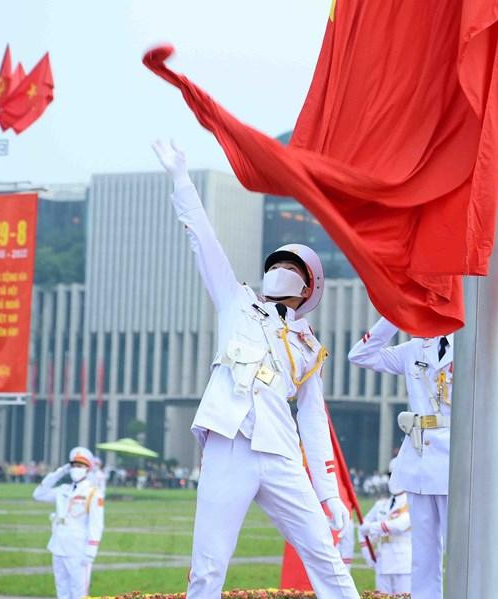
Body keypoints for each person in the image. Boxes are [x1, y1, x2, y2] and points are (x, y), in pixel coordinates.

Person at [152, 140, 358, 599]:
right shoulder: (236, 303)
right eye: (278, 262)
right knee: (208, 566)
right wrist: (182, 181)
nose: (280, 269)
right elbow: (204, 241)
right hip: (231, 446)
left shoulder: (310, 347)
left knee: (325, 555)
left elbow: (313, 422)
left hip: (281, 453)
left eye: (291, 266)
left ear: (308, 288)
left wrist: (328, 492)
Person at [348, 317, 453, 599]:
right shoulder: (414, 348)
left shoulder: (470, 346)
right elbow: (360, 355)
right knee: (423, 552)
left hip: (455, 460)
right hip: (419, 458)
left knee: (460, 550)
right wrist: (394, 315)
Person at [32, 446, 104, 599]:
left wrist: (91, 551)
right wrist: (59, 472)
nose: (75, 469)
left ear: (87, 469)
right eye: (73, 466)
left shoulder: (93, 493)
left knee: (79, 593)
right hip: (58, 546)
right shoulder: (63, 490)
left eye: (80, 466)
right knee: (62, 590)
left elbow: (96, 524)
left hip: (78, 549)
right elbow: (38, 494)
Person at [360, 459, 412, 595]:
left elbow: (400, 525)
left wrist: (371, 527)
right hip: (382, 562)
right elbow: (361, 527)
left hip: (403, 564)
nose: (393, 479)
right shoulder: (381, 505)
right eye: (391, 476)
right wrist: (368, 554)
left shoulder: (411, 502)